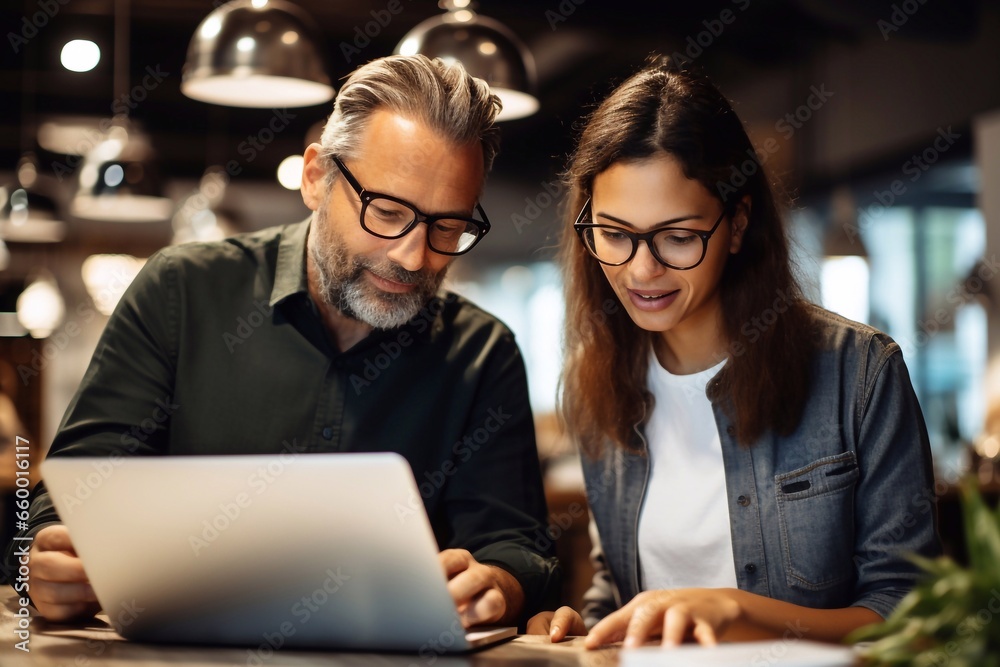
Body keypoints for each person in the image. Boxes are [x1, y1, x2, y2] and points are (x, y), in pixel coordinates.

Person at [5, 54, 557, 627]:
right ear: (316, 177)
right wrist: (39, 559)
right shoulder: (183, 294)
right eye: (387, 212)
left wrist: (498, 584)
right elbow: (67, 495)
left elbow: (519, 549)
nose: (412, 256)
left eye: (447, 227)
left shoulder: (481, 353)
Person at [528, 57, 940, 647]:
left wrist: (743, 614)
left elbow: (913, 614)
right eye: (615, 234)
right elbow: (618, 592)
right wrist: (579, 625)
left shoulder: (859, 373)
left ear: (738, 223)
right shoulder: (597, 383)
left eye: (677, 237)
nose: (641, 270)